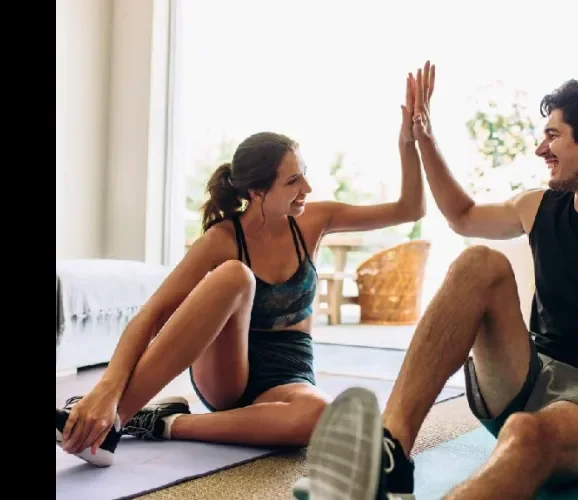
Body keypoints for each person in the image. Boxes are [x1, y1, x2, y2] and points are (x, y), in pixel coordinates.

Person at [295, 61, 578, 500]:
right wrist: (424, 140)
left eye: (553, 135)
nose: (540, 149)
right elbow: (463, 217)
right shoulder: (539, 207)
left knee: (527, 434)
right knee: (479, 263)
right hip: (529, 372)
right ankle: (387, 456)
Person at [55, 72, 426, 468]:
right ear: (256, 192)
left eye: (304, 174)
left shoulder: (315, 221)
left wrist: (408, 143)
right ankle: (115, 419)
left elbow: (410, 209)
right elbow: (153, 314)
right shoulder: (223, 239)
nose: (308, 189)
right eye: (294, 180)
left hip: (288, 375)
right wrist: (108, 388)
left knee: (323, 416)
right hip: (228, 372)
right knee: (235, 275)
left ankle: (162, 424)